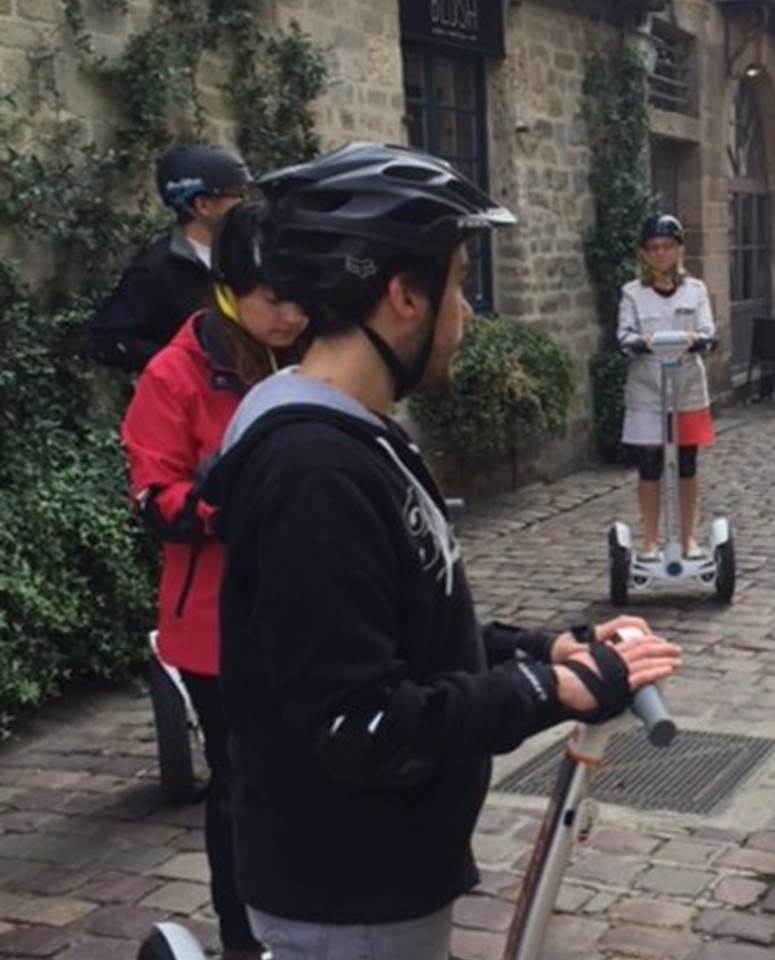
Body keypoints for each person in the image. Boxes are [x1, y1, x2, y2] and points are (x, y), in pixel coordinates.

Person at [200, 143, 681, 960]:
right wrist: (545, 691)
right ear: (404, 295)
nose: (468, 313)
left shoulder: (358, 440)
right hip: (350, 895)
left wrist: (540, 649)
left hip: (387, 879)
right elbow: (366, 723)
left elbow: (403, 638)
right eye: (458, 284)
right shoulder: (315, 472)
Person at [120, 200, 308, 959]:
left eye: (302, 297)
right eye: (274, 300)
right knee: (241, 784)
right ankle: (243, 939)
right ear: (230, 287)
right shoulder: (174, 374)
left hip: (302, 610)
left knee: (311, 778)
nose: (292, 315)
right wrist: (221, 499)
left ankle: (310, 922)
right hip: (215, 626)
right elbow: (153, 497)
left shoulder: (312, 353)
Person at [91, 143, 251, 372]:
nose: (246, 204)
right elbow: (109, 339)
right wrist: (182, 366)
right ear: (203, 205)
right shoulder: (157, 267)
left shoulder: (252, 252)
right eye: (237, 195)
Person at [617, 214, 717, 560]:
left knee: (687, 463)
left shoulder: (696, 290)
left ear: (678, 250)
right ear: (644, 253)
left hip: (687, 388)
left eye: (667, 247)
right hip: (648, 390)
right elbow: (625, 335)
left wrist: (698, 339)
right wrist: (639, 341)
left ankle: (688, 538)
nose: (661, 254)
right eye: (654, 248)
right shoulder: (632, 293)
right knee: (649, 464)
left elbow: (707, 332)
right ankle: (649, 541)